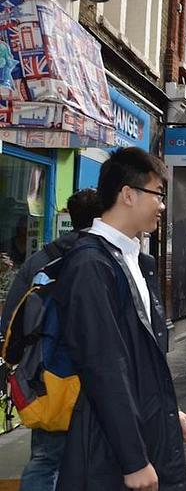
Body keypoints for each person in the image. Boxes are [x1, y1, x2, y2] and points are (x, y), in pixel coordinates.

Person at [53, 147, 186, 490]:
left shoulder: (135, 262)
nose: (162, 205)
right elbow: (104, 366)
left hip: (148, 434)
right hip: (110, 455)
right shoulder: (90, 265)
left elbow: (140, 361)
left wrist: (166, 413)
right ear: (128, 195)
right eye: (157, 194)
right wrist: (134, 460)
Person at [0, 188, 102, 491]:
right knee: (97, 459)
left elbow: (11, 324)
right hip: (92, 377)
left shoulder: (40, 260)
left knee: (45, 459)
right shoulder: (103, 257)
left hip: (46, 377)